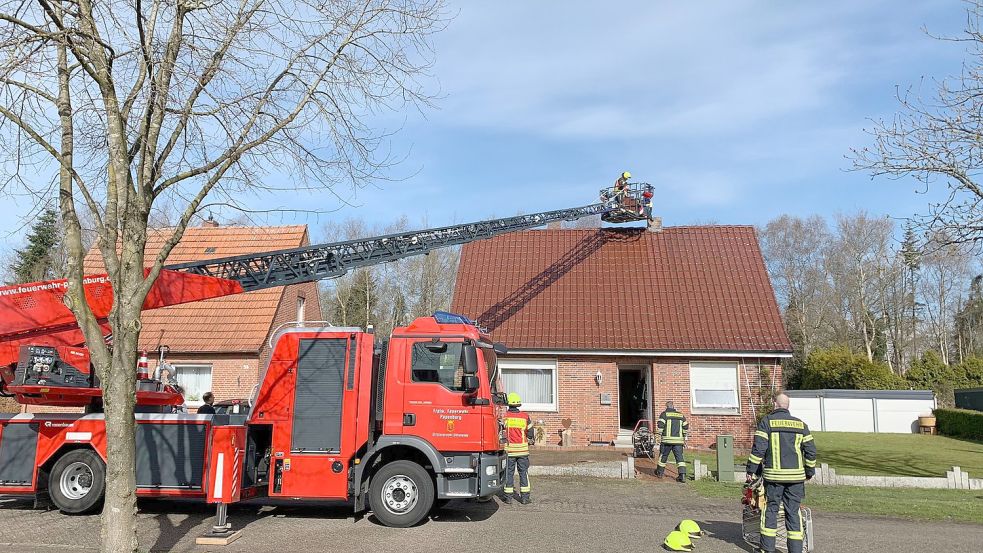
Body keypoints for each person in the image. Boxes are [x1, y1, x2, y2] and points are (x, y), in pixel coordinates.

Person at [745, 393, 817, 553]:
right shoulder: (801, 425)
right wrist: (809, 472)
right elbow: (811, 451)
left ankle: (767, 549)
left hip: (774, 478)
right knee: (793, 512)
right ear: (787, 406)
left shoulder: (767, 422)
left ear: (775, 405)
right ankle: (796, 550)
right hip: (796, 480)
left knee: (771, 510)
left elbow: (759, 449)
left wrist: (751, 470)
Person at [501, 392, 535, 504]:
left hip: (510, 451)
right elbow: (530, 432)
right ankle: (525, 498)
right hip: (523, 451)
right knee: (523, 473)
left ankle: (508, 497)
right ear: (518, 404)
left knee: (508, 473)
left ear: (508, 404)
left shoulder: (505, 417)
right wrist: (530, 439)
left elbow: (501, 431)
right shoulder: (525, 416)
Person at [655, 400, 689, 482]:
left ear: (666, 407)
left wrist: (658, 437)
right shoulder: (681, 415)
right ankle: (682, 475)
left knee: (663, 456)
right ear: (673, 406)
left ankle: (659, 473)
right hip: (678, 442)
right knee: (680, 458)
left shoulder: (664, 414)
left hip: (667, 441)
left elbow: (660, 426)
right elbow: (685, 427)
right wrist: (684, 438)